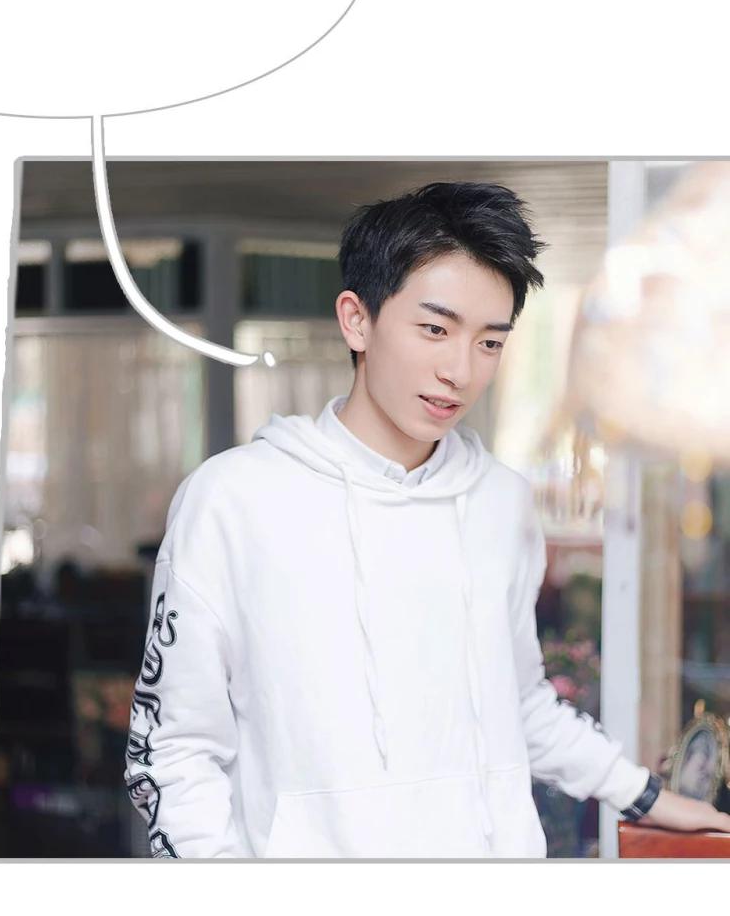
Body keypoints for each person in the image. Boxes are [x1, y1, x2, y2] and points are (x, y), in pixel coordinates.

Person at [124, 181, 730, 858]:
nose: (459, 371)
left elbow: (519, 701)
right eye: (435, 329)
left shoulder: (501, 502)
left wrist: (644, 794)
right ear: (357, 320)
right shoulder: (232, 500)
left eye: (490, 343)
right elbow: (172, 751)